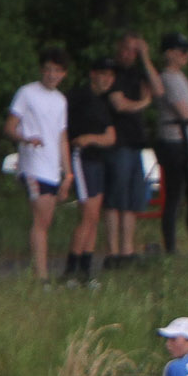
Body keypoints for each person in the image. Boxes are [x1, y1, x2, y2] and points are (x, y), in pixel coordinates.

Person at [5, 47, 71, 283]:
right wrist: (25, 138)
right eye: (48, 70)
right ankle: (40, 276)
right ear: (42, 70)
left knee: (46, 221)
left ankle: (39, 271)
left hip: (53, 168)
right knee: (41, 219)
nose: (52, 75)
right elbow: (10, 127)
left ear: (63, 74)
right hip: (33, 165)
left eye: (57, 71)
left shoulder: (61, 101)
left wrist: (68, 173)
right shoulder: (27, 93)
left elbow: (62, 137)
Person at [62, 58, 119, 285]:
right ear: (93, 74)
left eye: (110, 76)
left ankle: (85, 271)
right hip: (82, 159)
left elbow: (111, 137)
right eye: (103, 74)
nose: (106, 80)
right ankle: (70, 271)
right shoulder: (79, 97)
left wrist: (93, 138)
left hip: (96, 159)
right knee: (87, 216)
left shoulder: (102, 102)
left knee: (94, 217)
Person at [151, 31, 188, 252]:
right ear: (171, 53)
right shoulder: (167, 78)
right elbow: (186, 112)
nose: (187, 56)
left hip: (186, 140)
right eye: (183, 52)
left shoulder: (180, 77)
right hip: (174, 142)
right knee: (175, 195)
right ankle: (171, 247)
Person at [102, 32, 156, 264]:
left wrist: (146, 58)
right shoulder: (113, 72)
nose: (129, 54)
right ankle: (113, 252)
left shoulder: (137, 71)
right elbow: (119, 104)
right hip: (117, 143)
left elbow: (158, 88)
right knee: (116, 198)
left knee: (132, 199)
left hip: (135, 144)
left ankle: (128, 251)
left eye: (134, 50)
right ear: (118, 48)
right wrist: (144, 103)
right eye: (126, 49)